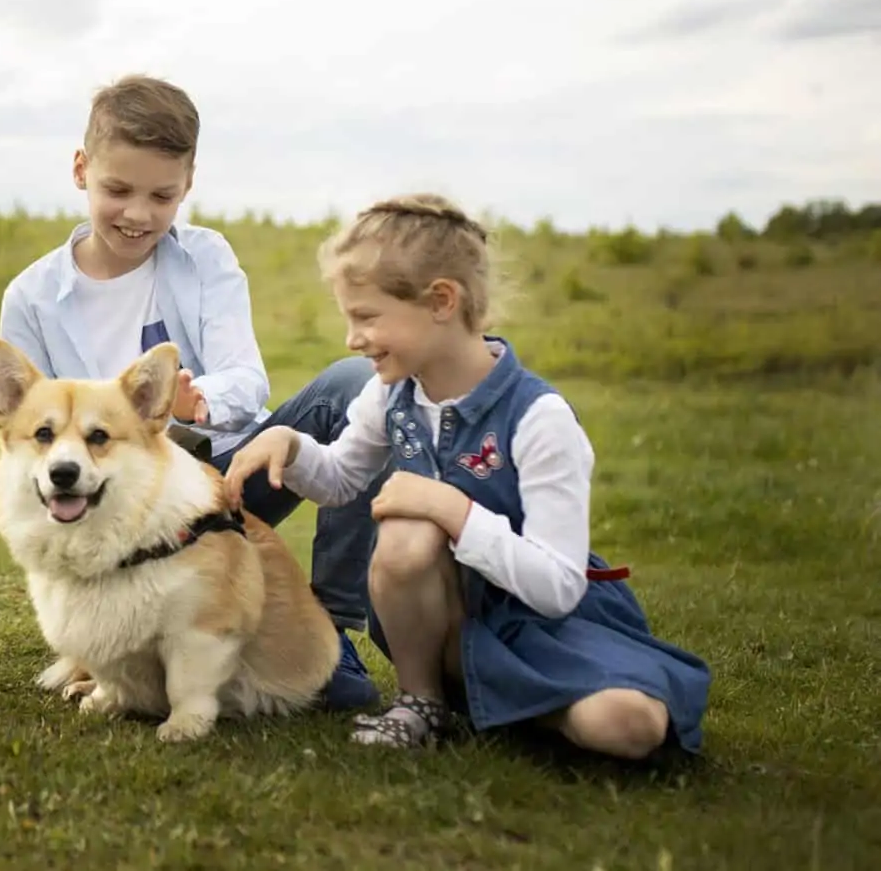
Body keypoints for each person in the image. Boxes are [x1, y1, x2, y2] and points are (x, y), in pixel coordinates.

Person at [223, 193, 712, 758]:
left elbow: (558, 588)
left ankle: (509, 704)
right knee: (408, 529)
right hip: (444, 624)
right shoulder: (390, 394)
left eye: (366, 317)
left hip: (547, 628)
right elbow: (340, 480)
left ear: (441, 301)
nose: (352, 340)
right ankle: (421, 701)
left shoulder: (539, 419)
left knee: (628, 728)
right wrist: (293, 445)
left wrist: (452, 509)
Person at [0, 73, 383, 711]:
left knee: (355, 386)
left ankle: (331, 627)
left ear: (188, 185)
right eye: (117, 189)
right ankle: (112, 651)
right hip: (123, 494)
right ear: (80, 169)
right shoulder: (31, 298)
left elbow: (245, 374)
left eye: (162, 195)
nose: (138, 213)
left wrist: (194, 403)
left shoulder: (206, 257)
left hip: (228, 474)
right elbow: (32, 447)